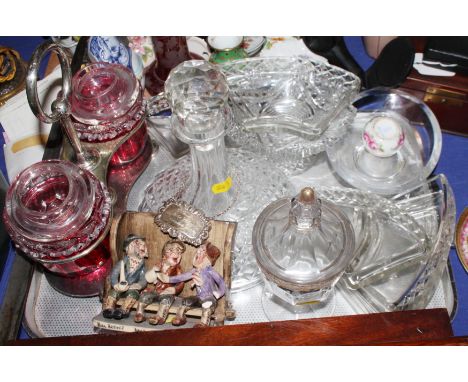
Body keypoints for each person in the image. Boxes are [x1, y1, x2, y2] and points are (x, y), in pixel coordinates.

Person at [157, 241, 225, 327]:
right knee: (185, 302)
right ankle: (180, 317)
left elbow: (222, 283)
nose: (198, 252)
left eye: (202, 251)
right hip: (199, 297)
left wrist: (219, 293)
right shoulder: (195, 271)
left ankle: (203, 323)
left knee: (207, 305)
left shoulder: (210, 271)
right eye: (199, 250)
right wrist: (168, 279)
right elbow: (182, 277)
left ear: (208, 258)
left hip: (209, 298)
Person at [134, 240, 185, 325]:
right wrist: (153, 271)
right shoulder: (159, 265)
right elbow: (149, 279)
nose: (177, 254)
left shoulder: (177, 269)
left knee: (166, 300)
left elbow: (181, 282)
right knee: (144, 296)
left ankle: (160, 317)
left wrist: (174, 289)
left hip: (167, 293)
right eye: (172, 251)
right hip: (157, 291)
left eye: (179, 252)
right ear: (164, 254)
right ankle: (140, 313)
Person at [102, 234, 148, 320]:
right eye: (137, 244)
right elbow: (114, 274)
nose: (141, 247)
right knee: (113, 293)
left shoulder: (142, 266)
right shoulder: (122, 262)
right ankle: (109, 309)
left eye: (143, 245)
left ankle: (123, 310)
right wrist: (115, 284)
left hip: (131, 288)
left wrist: (139, 285)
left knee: (132, 295)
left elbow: (143, 278)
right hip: (120, 286)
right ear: (128, 248)